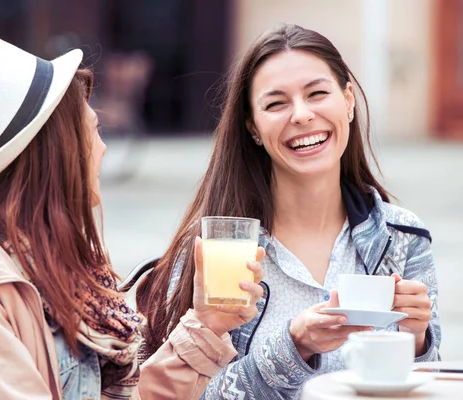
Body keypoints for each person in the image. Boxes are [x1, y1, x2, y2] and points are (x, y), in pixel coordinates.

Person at [0, 35, 266, 400]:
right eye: (93, 130)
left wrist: (208, 325)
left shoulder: (57, 266)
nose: (103, 149)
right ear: (58, 149)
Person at [137, 23, 441, 399]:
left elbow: (429, 384)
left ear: (348, 101)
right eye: (276, 103)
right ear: (252, 126)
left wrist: (417, 340)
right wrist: (294, 345)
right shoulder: (215, 251)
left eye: (317, 94)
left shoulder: (403, 237)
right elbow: (177, 393)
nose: (301, 115)